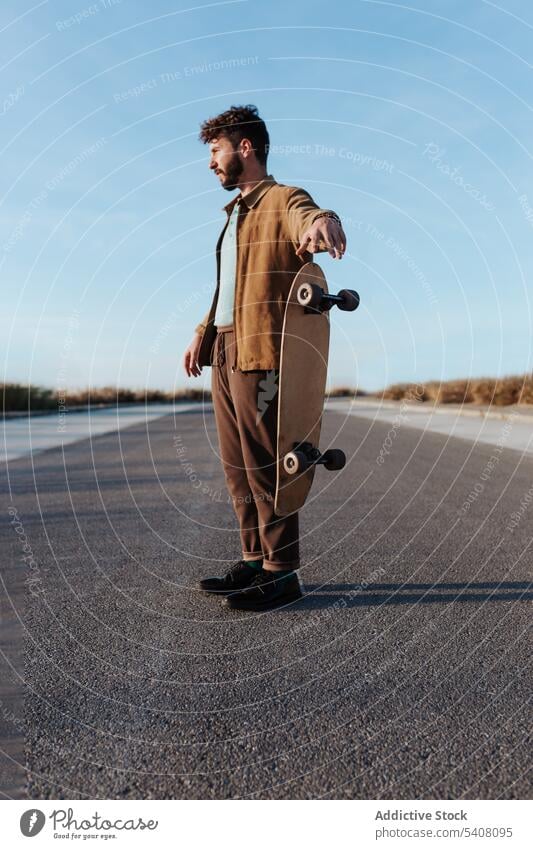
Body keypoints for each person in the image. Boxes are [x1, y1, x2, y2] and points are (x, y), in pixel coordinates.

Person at [182, 105, 346, 611]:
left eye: (216, 150)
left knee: (267, 465)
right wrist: (201, 334)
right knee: (236, 465)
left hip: (264, 350)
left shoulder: (281, 199)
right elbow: (227, 287)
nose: (211, 163)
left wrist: (324, 220)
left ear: (244, 147)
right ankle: (253, 559)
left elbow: (308, 213)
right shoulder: (234, 215)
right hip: (227, 347)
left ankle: (282, 572)